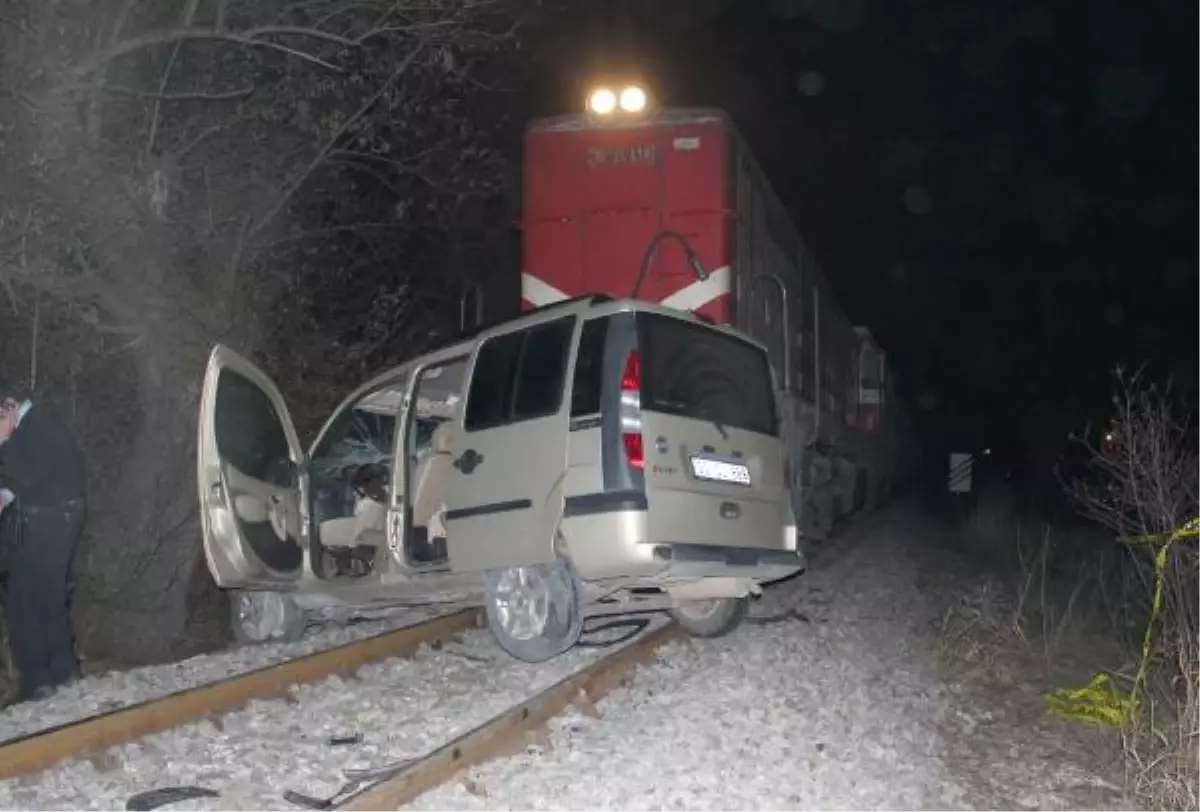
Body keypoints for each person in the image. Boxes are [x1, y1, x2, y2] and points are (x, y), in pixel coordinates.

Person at [0, 378, 87, 701]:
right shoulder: (34, 424)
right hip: (52, 518)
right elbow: (33, 479)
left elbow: (29, 473)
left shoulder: (38, 425)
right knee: (44, 597)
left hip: (53, 520)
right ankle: (62, 675)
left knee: (24, 599)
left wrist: (3, 441)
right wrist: (6, 496)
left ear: (8, 407)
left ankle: (39, 682)